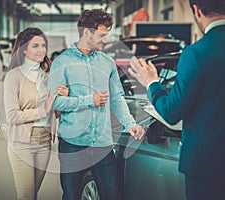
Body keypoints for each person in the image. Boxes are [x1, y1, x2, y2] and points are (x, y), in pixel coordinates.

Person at [128, 0, 225, 199]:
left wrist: (152, 82)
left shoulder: (196, 53)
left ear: (197, 11)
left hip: (207, 166)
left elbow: (171, 112)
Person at [47, 9, 145, 200]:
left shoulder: (107, 63)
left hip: (102, 143)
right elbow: (55, 101)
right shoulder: (62, 62)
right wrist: (88, 100)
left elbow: (117, 98)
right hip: (72, 144)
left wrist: (130, 123)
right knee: (71, 194)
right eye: (101, 35)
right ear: (86, 32)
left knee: (112, 193)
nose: (105, 40)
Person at [3, 27, 68, 200]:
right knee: (26, 196)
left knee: (33, 195)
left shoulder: (48, 75)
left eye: (43, 45)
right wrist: (42, 110)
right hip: (22, 141)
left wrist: (64, 98)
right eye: (35, 46)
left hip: (45, 140)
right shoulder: (13, 76)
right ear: (24, 49)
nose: (42, 50)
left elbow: (57, 112)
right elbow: (12, 116)